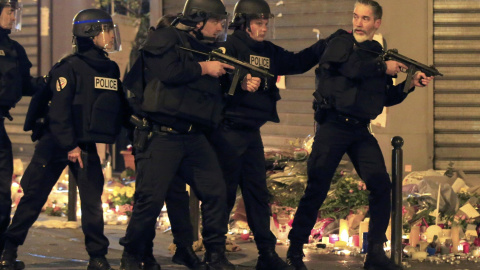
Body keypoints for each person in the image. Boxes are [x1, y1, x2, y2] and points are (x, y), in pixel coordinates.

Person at [286, 1, 435, 270]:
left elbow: (384, 97)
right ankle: (294, 252)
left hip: (359, 129)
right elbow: (350, 69)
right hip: (332, 126)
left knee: (381, 185)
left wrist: (409, 84)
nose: (359, 23)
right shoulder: (341, 42)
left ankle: (375, 253)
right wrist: (383, 67)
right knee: (316, 190)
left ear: (377, 23)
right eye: (356, 16)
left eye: (366, 19)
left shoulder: (376, 53)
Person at [118, 0, 258, 269]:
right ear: (198, 18)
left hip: (193, 136)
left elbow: (212, 91)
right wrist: (205, 67)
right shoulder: (167, 38)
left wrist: (241, 82)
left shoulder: (204, 47)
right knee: (150, 200)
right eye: (216, 21)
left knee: (215, 191)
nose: (220, 28)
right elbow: (169, 72)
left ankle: (214, 254)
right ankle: (133, 255)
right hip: (162, 136)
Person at [195, 0, 329, 269]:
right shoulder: (227, 47)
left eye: (266, 23)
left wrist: (323, 46)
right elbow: (212, 75)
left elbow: (295, 62)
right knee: (223, 195)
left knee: (258, 194)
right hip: (227, 131)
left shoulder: (267, 51)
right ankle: (215, 254)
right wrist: (240, 80)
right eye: (259, 23)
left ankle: (266, 253)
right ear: (244, 24)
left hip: (252, 133)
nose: (264, 28)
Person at [0, 8, 127, 270]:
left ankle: (97, 257)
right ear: (91, 34)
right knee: (34, 198)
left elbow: (117, 106)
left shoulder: (110, 68)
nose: (111, 36)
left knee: (92, 201)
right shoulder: (68, 67)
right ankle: (8, 252)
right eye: (106, 31)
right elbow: (58, 112)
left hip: (85, 143)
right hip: (57, 142)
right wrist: (70, 145)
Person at [0, 1, 46, 269]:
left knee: (2, 192)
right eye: (7, 10)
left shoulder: (14, 49)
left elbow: (24, 83)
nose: (12, 16)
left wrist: (50, 81)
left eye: (14, 11)